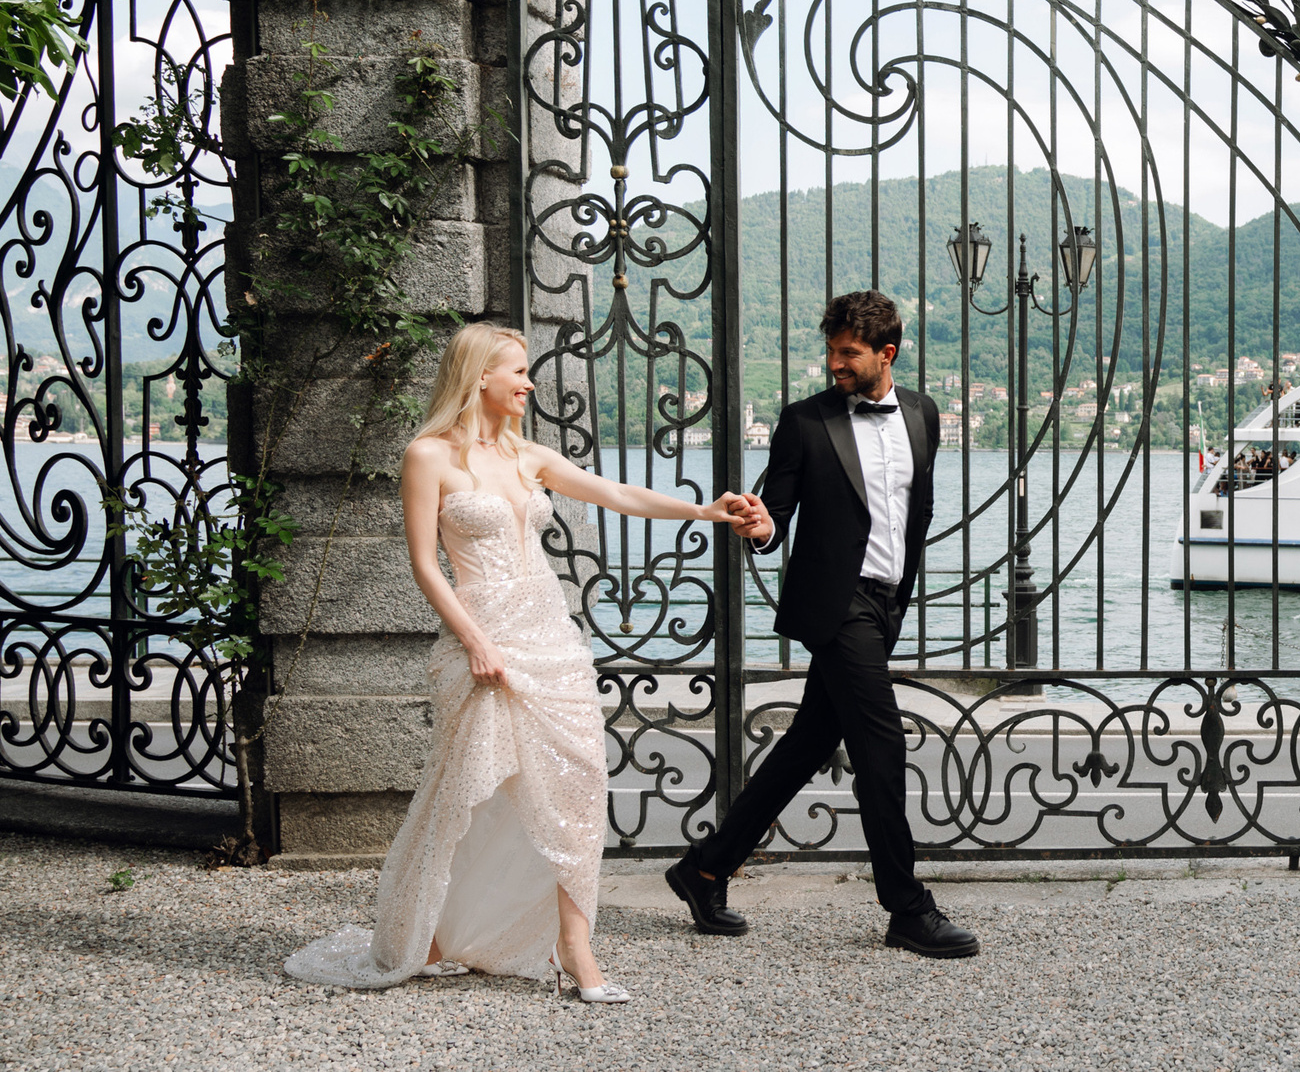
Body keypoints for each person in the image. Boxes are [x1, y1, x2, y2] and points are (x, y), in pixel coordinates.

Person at [284, 323, 748, 1001]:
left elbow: (613, 493)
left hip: (552, 640)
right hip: (487, 639)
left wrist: (705, 511)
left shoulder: (528, 454)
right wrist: (474, 640)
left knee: (579, 785)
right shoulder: (428, 455)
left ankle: (575, 945)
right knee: (468, 795)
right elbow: (423, 562)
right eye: (520, 371)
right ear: (480, 377)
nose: (530, 382)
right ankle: (432, 935)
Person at [667, 290, 980, 958]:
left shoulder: (922, 413)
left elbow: (912, 510)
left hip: (886, 603)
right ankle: (907, 906)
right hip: (838, 608)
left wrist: (901, 592)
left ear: (885, 354)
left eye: (849, 353)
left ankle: (704, 868)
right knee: (882, 744)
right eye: (831, 350)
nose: (834, 363)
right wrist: (760, 525)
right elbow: (773, 513)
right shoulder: (804, 421)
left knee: (807, 744)